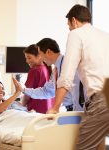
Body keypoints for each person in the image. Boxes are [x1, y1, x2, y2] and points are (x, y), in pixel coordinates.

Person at [47, 4, 109, 150]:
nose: (70, 29)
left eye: (69, 26)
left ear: (74, 21)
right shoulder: (105, 35)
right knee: (98, 143)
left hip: (103, 99)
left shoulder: (76, 34)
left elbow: (66, 76)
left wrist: (55, 107)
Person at [13, 38, 82, 111]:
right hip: (70, 109)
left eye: (40, 54)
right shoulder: (55, 70)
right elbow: (47, 91)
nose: (41, 58)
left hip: (78, 108)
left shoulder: (68, 64)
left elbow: (79, 91)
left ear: (48, 52)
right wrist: (23, 89)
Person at [22, 44, 54, 113]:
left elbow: (27, 93)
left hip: (36, 110)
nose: (27, 61)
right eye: (26, 58)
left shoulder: (35, 70)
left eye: (29, 58)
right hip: (47, 108)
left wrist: (22, 106)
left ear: (39, 56)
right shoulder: (46, 68)